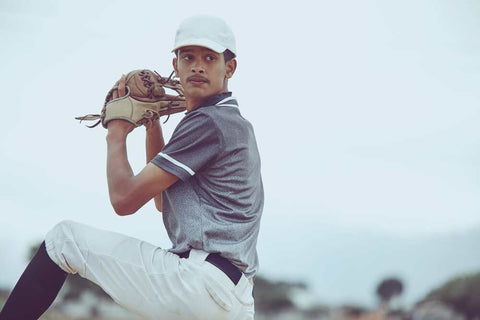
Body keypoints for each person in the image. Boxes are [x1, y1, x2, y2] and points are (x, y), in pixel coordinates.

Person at [0, 14, 263, 320]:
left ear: (229, 67)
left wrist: (116, 131)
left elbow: (124, 200)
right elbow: (162, 200)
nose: (198, 66)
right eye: (188, 56)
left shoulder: (209, 122)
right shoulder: (225, 120)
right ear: (175, 65)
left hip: (201, 284)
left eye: (209, 57)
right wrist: (153, 127)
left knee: (64, 240)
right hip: (231, 297)